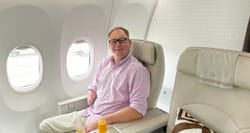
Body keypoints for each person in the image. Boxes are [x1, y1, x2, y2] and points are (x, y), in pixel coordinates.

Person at [39, 27, 150, 133]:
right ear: (109, 45)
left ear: (129, 43)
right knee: (45, 126)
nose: (117, 44)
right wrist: (91, 92)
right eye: (113, 41)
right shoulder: (105, 62)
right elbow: (94, 85)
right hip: (89, 114)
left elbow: (138, 110)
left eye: (122, 40)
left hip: (109, 122)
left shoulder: (138, 71)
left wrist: (102, 121)